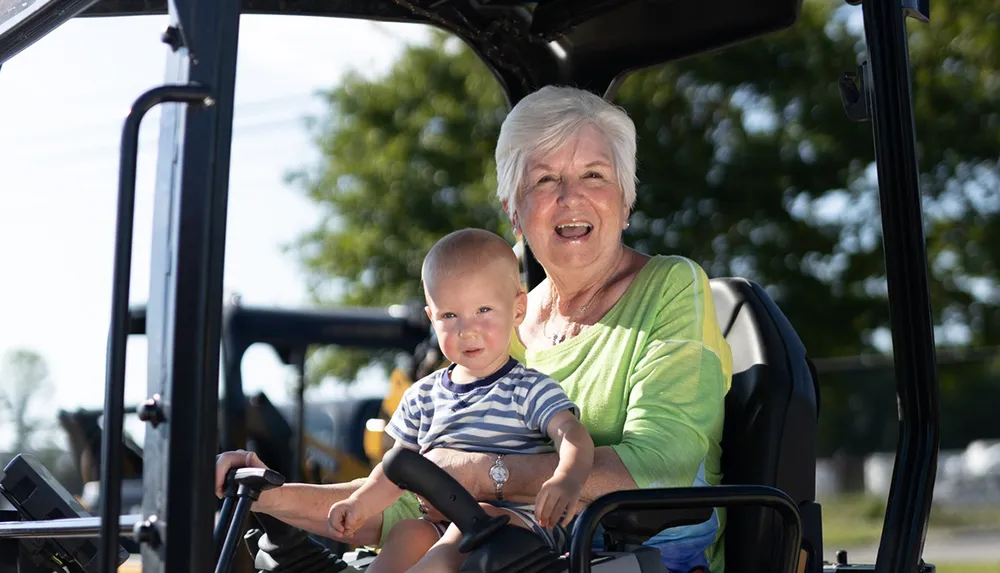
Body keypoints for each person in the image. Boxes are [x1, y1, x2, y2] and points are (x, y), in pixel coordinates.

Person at [215, 84, 733, 573]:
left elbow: (660, 464)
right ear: (514, 211)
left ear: (626, 199)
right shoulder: (492, 324)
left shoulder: (671, 287)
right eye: (545, 180)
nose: (571, 197)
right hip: (492, 549)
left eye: (595, 175)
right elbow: (415, 503)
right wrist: (266, 494)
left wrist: (483, 472)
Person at [326, 228, 595, 573]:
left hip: (518, 527)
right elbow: (397, 470)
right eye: (449, 316)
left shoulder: (528, 388)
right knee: (408, 531)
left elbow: (571, 433)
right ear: (431, 318)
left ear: (517, 309)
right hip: (445, 520)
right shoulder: (422, 396)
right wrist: (359, 503)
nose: (467, 330)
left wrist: (567, 479)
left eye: (483, 310)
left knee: (462, 535)